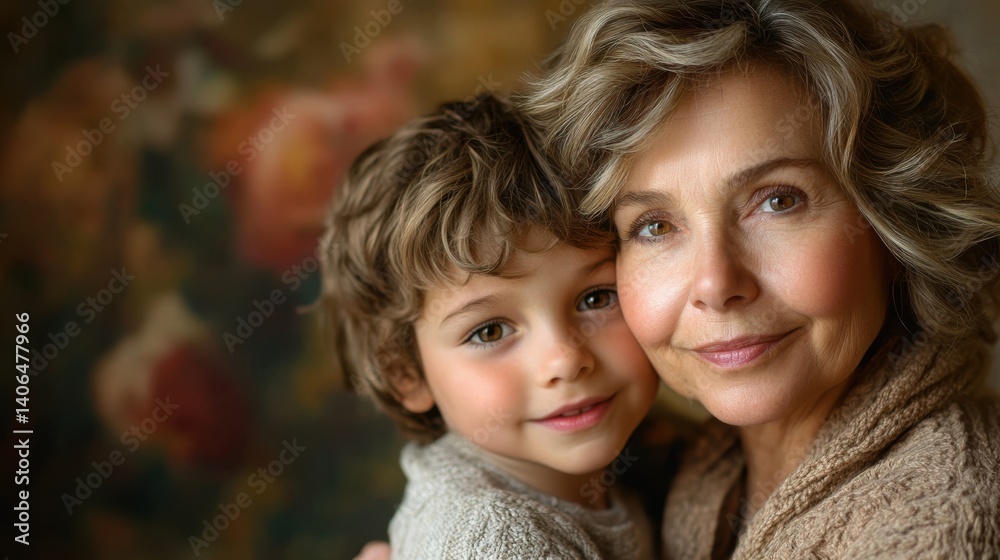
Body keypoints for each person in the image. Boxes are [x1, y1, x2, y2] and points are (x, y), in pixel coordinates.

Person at [520, 0, 1000, 557]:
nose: (716, 283)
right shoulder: (687, 465)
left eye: (777, 201)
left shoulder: (939, 525)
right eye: (654, 226)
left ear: (893, 219)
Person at [322, 94, 660, 559]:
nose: (565, 359)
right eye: (490, 332)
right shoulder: (494, 540)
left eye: (596, 298)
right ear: (406, 373)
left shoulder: (648, 461)